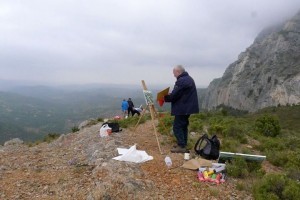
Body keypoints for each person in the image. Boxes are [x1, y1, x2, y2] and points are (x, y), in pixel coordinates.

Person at [164, 65, 199, 153]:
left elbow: (175, 95)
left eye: (174, 73)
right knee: (183, 126)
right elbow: (180, 93)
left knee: (177, 127)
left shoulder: (181, 80)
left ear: (178, 72)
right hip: (188, 108)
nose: (173, 75)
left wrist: (166, 97)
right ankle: (183, 143)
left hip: (183, 108)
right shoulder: (189, 78)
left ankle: (181, 146)